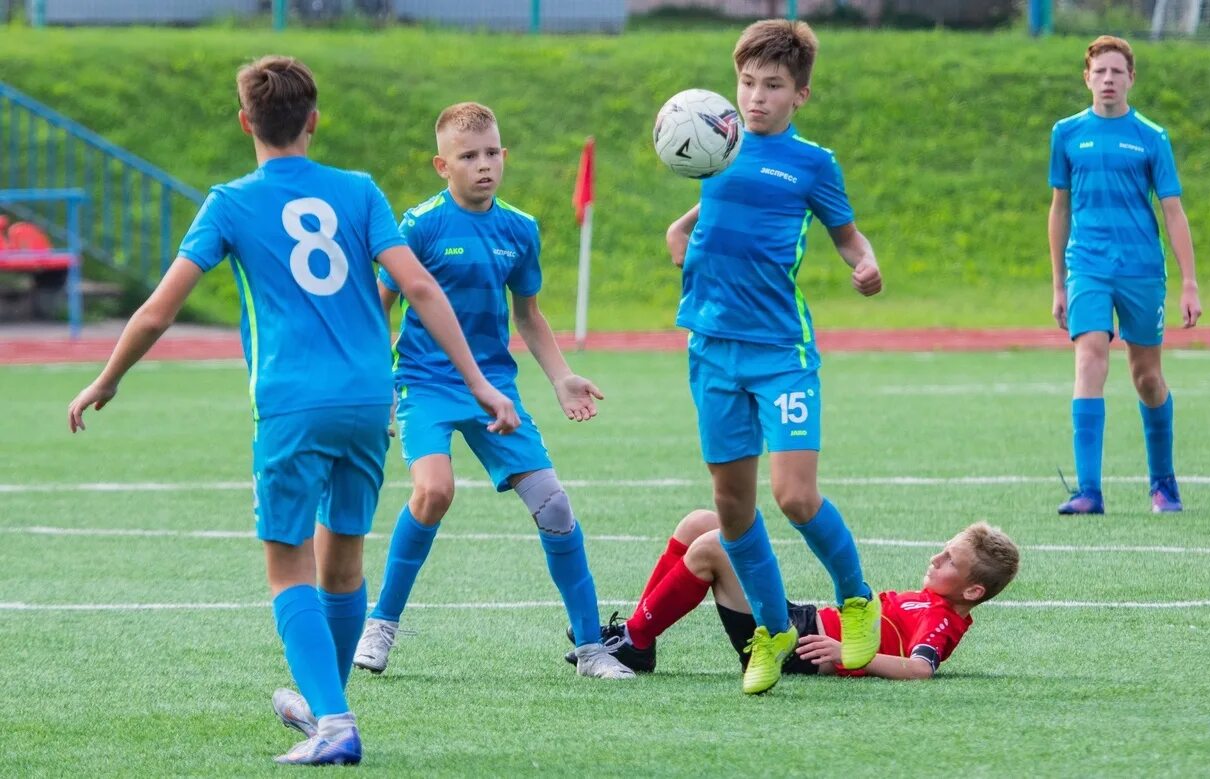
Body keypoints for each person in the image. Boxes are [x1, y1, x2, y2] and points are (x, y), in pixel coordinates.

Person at [66, 57, 518, 766]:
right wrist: (482, 383)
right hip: (370, 400)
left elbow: (158, 311)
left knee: (288, 568)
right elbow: (421, 289)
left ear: (247, 122)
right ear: (313, 121)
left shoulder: (231, 202)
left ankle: (334, 719)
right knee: (342, 562)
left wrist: (108, 377)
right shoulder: (359, 191)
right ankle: (323, 702)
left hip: (290, 403)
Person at [349, 102, 633, 682]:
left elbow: (527, 315)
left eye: (492, 153)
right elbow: (378, 308)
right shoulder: (419, 225)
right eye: (468, 156)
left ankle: (591, 649)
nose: (484, 165)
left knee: (554, 505)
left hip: (495, 391)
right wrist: (374, 392)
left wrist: (561, 376)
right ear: (441, 165)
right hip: (425, 384)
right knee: (433, 493)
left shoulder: (520, 229)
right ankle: (381, 625)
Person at [663, 19, 884, 694]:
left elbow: (847, 237)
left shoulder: (813, 164)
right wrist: (680, 238)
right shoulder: (717, 144)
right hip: (711, 352)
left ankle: (855, 598)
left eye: (773, 86)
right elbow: (700, 218)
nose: (756, 97)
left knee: (793, 494)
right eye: (748, 83)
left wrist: (865, 262)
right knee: (732, 509)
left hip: (781, 353)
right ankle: (771, 625)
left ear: (801, 96)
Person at [566, 510, 1020, 680]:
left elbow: (920, 669)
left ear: (973, 590)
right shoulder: (931, 600)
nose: (936, 559)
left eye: (949, 562)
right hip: (794, 623)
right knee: (699, 522)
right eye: (943, 550)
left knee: (713, 548)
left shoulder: (944, 618)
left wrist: (847, 653)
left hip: (794, 649)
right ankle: (635, 639)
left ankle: (635, 643)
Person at [1049, 35, 1201, 515]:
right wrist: (1058, 282)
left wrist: (1190, 282)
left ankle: (1163, 484)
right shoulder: (1067, 134)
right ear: (1087, 77)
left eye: (1117, 72)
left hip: (1141, 269)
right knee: (1090, 358)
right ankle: (1088, 492)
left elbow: (1173, 212)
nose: (1108, 80)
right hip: (1087, 266)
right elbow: (1059, 209)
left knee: (1147, 377)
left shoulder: (1151, 136)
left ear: (1131, 78)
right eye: (1100, 72)